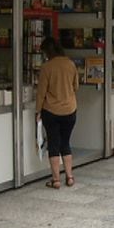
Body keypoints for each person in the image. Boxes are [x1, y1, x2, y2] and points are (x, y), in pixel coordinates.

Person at [35, 37, 79, 189]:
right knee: (65, 143)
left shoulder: (47, 67)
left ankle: (56, 179)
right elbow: (76, 86)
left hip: (51, 111)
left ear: (47, 51)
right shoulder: (70, 64)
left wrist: (38, 111)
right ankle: (70, 176)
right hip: (70, 110)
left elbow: (41, 92)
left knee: (53, 144)